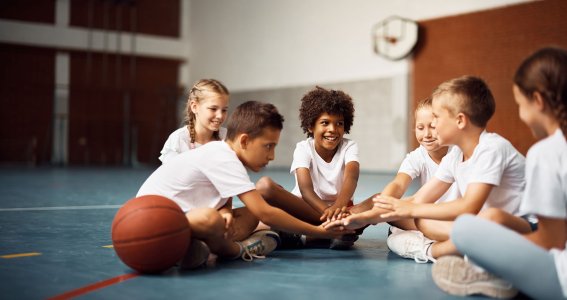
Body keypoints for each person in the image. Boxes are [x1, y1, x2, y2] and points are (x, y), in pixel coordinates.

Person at [327, 75, 527, 263]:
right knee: (422, 221)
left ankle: (438, 250)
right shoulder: (456, 155)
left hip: (521, 225)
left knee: (489, 218)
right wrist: (365, 218)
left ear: (460, 121)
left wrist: (409, 209)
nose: (433, 127)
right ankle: (447, 249)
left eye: (436, 119)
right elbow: (418, 199)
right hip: (479, 225)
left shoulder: (490, 148)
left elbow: (468, 206)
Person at [137, 100, 351, 269]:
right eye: (268, 146)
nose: (272, 155)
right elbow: (266, 213)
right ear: (244, 141)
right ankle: (235, 249)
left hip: (177, 222)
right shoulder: (222, 157)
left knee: (243, 215)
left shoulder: (223, 154)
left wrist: (226, 211)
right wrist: (321, 231)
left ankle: (197, 248)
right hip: (150, 225)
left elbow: (230, 201)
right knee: (213, 219)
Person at [432, 47, 567, 299]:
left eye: (519, 104)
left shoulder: (548, 151)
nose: (521, 113)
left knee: (466, 230)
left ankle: (492, 274)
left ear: (537, 101)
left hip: (559, 279)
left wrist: (494, 250)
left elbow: (552, 242)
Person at [328, 96, 460, 237]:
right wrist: (377, 210)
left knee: (398, 214)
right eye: (420, 128)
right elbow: (398, 184)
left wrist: (374, 215)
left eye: (432, 127)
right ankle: (346, 223)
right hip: (428, 213)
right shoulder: (416, 156)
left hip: (457, 215)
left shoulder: (457, 153)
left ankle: (441, 232)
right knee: (385, 205)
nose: (426, 134)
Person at [256, 86, 359, 249]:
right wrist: (329, 213)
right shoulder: (303, 148)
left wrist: (339, 207)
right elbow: (305, 190)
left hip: (341, 210)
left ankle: (307, 233)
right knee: (265, 186)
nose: (332, 129)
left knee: (379, 200)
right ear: (311, 126)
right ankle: (334, 231)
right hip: (307, 208)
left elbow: (351, 177)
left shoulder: (349, 146)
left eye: (339, 123)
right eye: (325, 123)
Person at [159, 79, 229, 164]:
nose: (220, 115)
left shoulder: (227, 138)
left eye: (224, 110)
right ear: (194, 107)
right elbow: (169, 175)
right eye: (213, 109)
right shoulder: (179, 140)